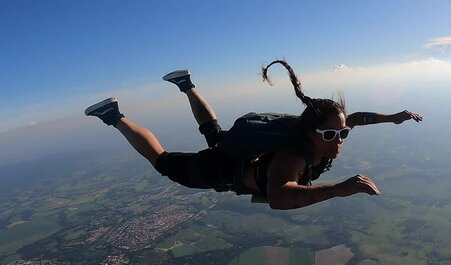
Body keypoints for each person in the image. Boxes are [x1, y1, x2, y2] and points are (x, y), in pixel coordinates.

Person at [85, 60, 422, 210]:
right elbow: (280, 197)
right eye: (331, 134)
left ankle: (186, 84)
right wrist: (341, 189)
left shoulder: (317, 135)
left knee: (213, 131)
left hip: (236, 154)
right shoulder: (293, 157)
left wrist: (392, 118)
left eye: (343, 132)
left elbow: (356, 117)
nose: (340, 140)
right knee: (162, 161)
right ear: (311, 133)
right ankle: (113, 115)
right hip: (219, 170)